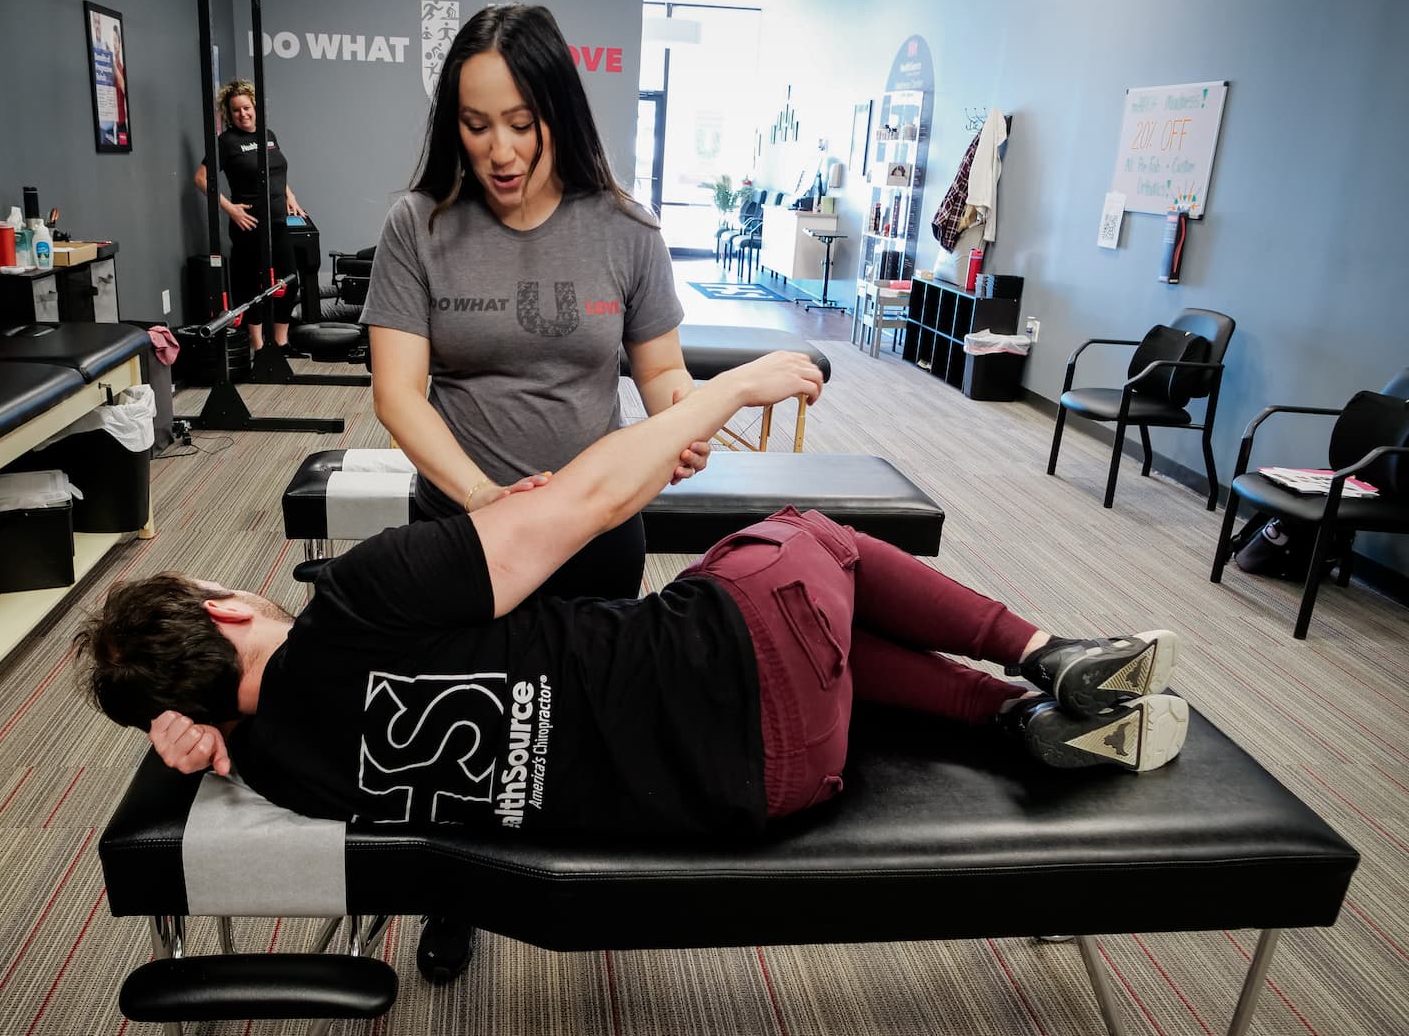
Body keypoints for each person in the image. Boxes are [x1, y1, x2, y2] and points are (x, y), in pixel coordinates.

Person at [74, 354, 1190, 839]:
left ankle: (1012, 720)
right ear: (226, 611)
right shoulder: (362, 599)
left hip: (768, 788)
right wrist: (732, 391)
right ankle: (1046, 652)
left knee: (773, 614)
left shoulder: (281, 772)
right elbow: (598, 502)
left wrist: (198, 733)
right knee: (806, 542)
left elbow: (212, 739)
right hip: (746, 673)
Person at [362, 3, 708, 601]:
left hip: (597, 524)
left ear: (560, 113)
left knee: (591, 692)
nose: (500, 152)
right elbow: (397, 395)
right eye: (477, 125)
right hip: (463, 529)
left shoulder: (628, 228)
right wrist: (482, 497)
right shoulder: (417, 226)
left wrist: (679, 417)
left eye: (522, 124)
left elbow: (660, 368)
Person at [195, 80, 305, 354]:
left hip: (278, 221)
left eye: (246, 108)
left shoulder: (268, 135)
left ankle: (281, 342)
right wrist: (230, 208)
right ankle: (258, 346)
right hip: (250, 224)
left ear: (254, 107)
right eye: (235, 111)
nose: (243, 114)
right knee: (252, 287)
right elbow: (200, 178)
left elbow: (277, 170)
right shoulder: (226, 142)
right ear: (229, 114)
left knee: (289, 282)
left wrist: (289, 195)